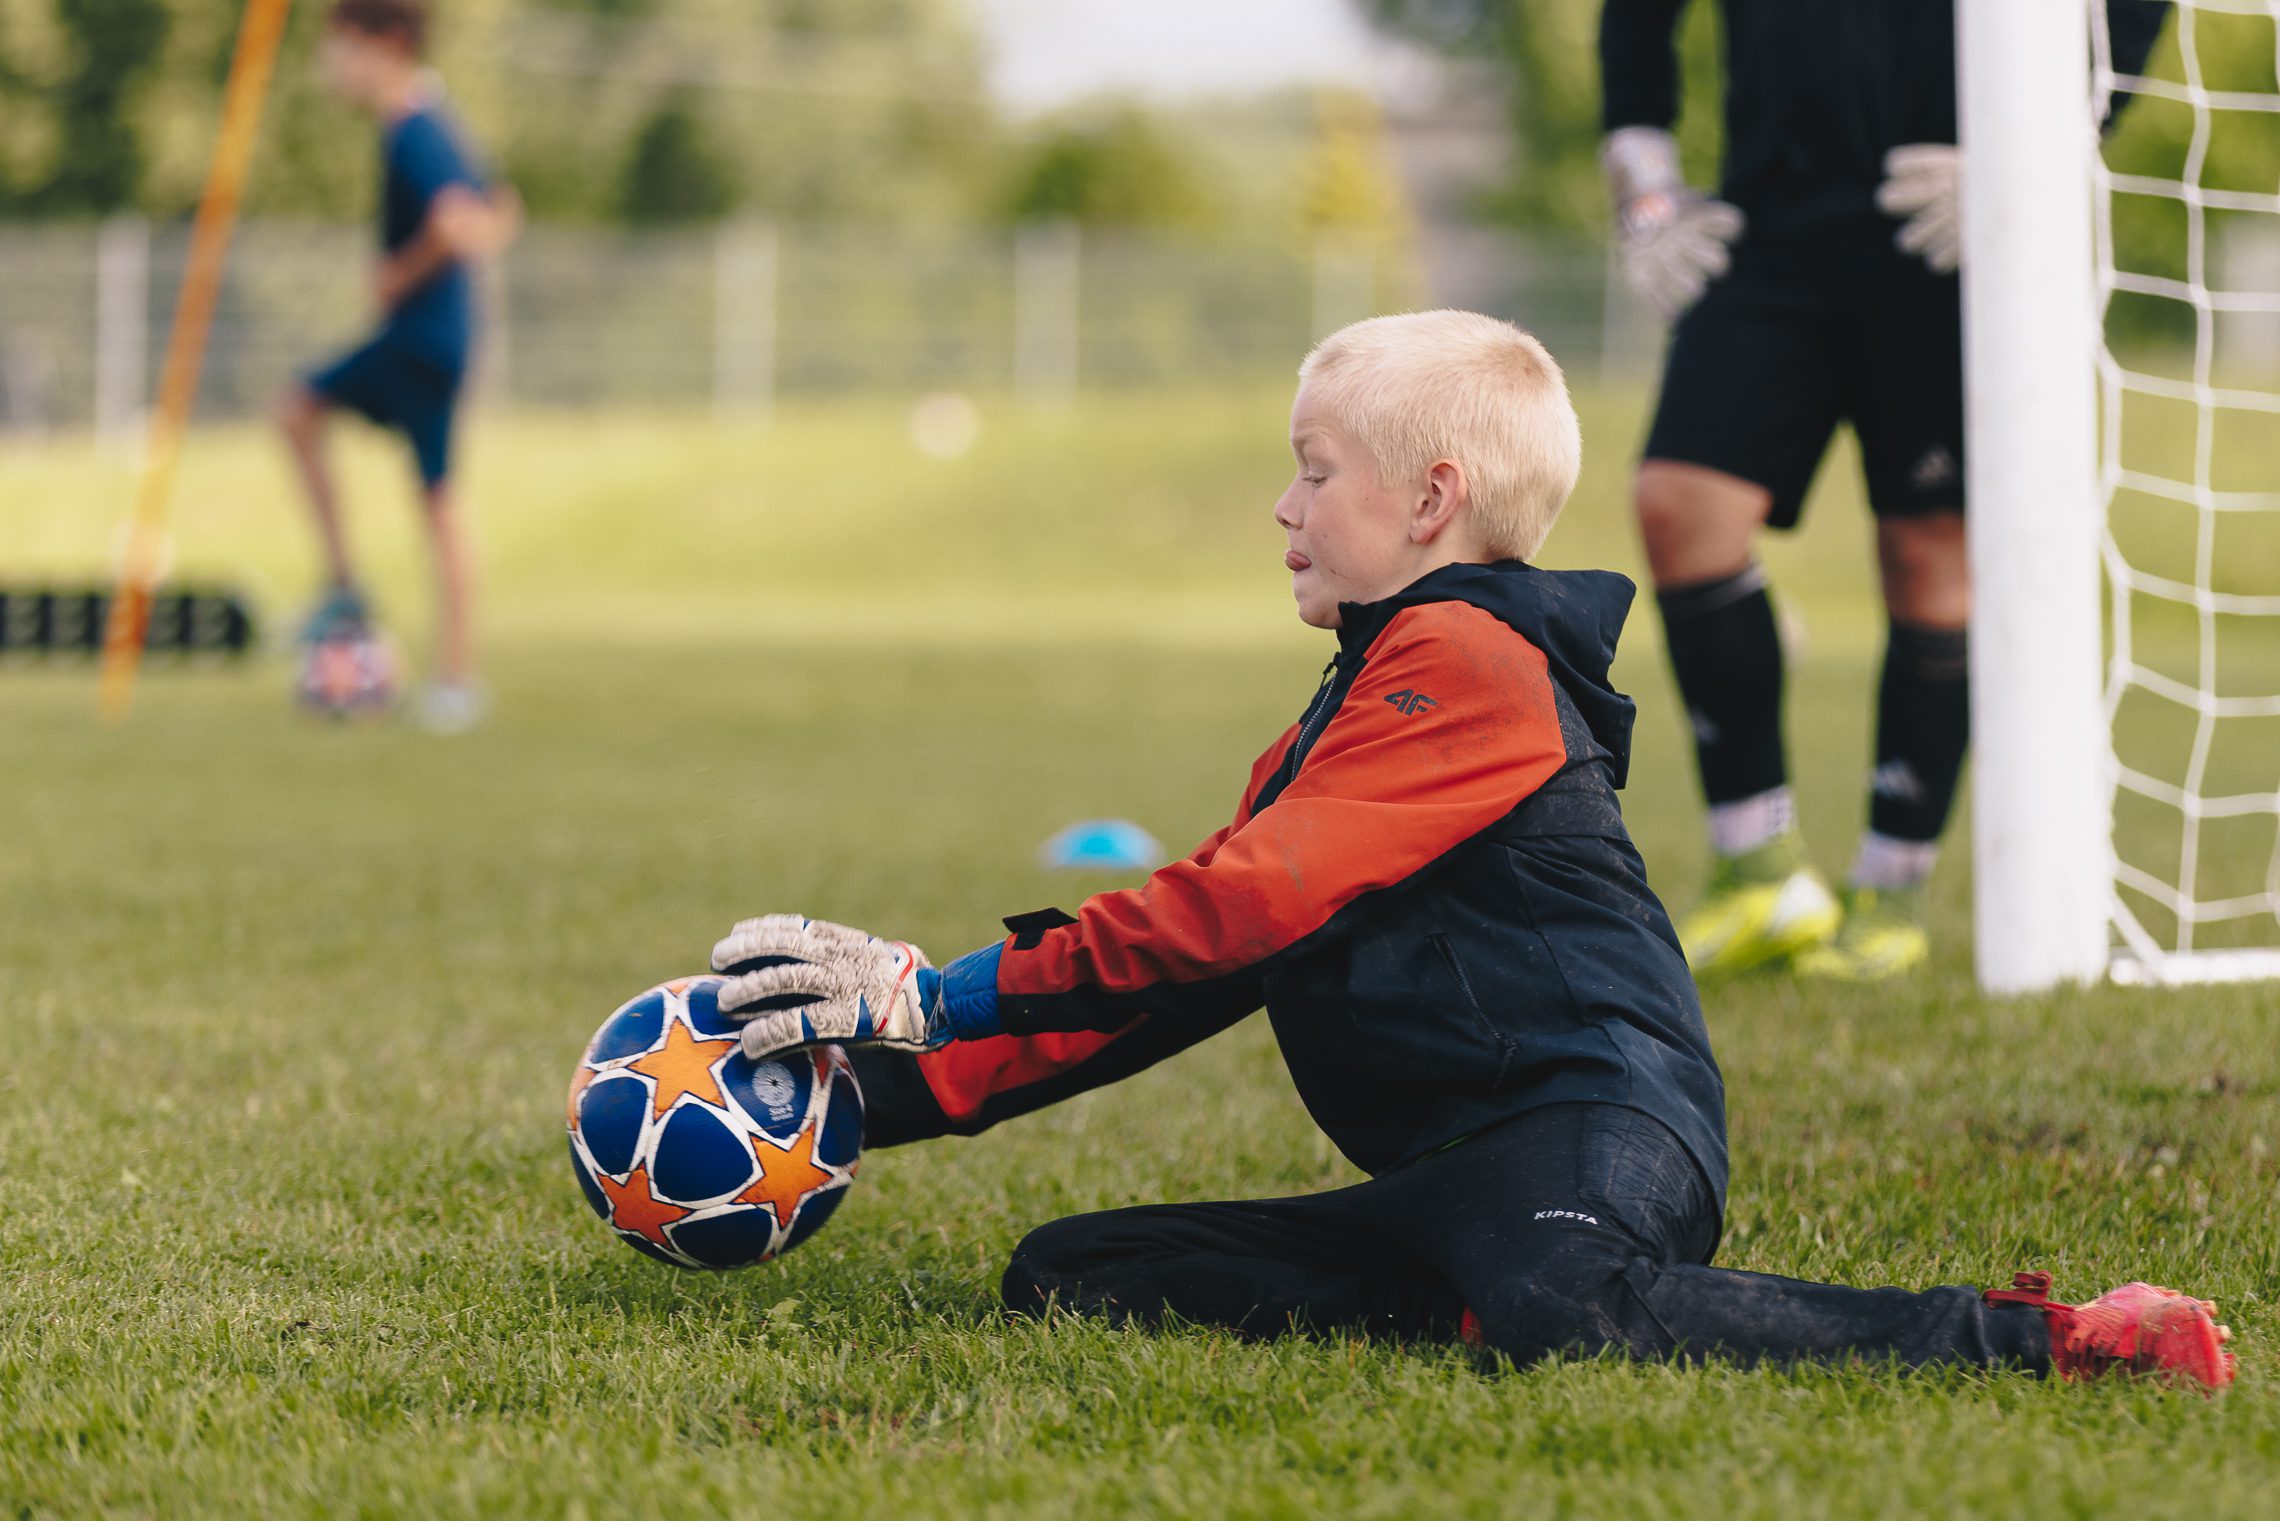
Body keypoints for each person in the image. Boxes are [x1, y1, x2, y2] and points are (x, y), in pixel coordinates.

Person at [691, 312, 2233, 1389]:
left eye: (1314, 469)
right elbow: (1194, 967)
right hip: (1453, 1178)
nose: (1283, 506)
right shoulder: (1343, 719)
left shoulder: (1472, 662)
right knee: (1069, 1274)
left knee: (1573, 1308)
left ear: (1433, 498)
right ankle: (1472, 1304)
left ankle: (2046, 1341)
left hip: (1598, 1130)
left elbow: (1247, 898)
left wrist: (939, 986)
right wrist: (863, 1093)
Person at [1598, 0, 2173, 980]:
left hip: (1943, 216)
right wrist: (1644, 185)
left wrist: (2040, 149)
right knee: (1680, 502)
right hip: (1768, 218)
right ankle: (1757, 863)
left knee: (1927, 552)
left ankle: (1891, 883)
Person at [277, 0, 519, 734]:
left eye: (341, 47)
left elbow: (457, 223)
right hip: (426, 339)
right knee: (303, 415)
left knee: (437, 501)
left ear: (384, 45)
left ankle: (452, 678)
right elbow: (500, 210)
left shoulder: (416, 129)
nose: (331, 65)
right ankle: (358, 598)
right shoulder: (430, 122)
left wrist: (398, 274)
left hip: (421, 341)